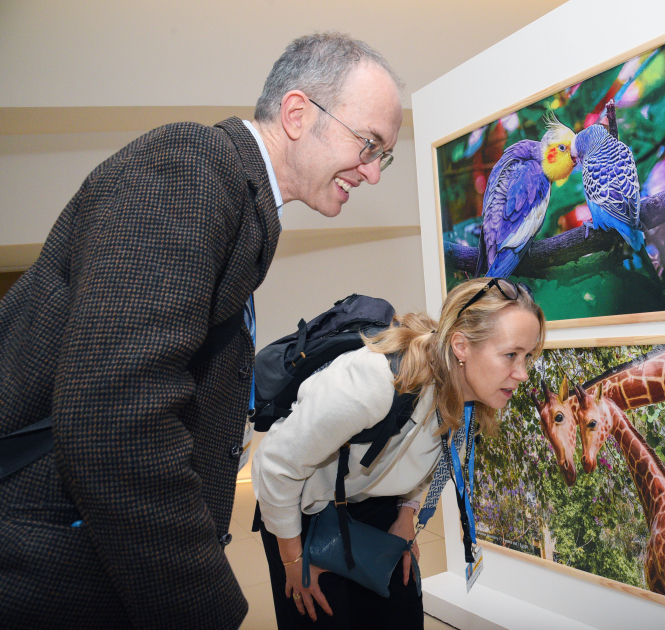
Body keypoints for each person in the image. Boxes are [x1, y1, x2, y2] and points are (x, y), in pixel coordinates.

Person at [0, 32, 403, 630]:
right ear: (297, 114)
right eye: (368, 144)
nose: (372, 173)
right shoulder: (191, 167)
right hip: (54, 569)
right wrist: (202, 604)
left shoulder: (233, 196)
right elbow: (114, 417)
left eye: (383, 156)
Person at [252, 277, 545, 630]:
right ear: (461, 346)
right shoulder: (377, 381)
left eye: (528, 356)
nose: (523, 373)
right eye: (511, 354)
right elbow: (275, 465)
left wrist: (406, 516)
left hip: (373, 500)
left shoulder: (472, 401)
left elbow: (434, 463)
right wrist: (293, 560)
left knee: (401, 614)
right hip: (303, 509)